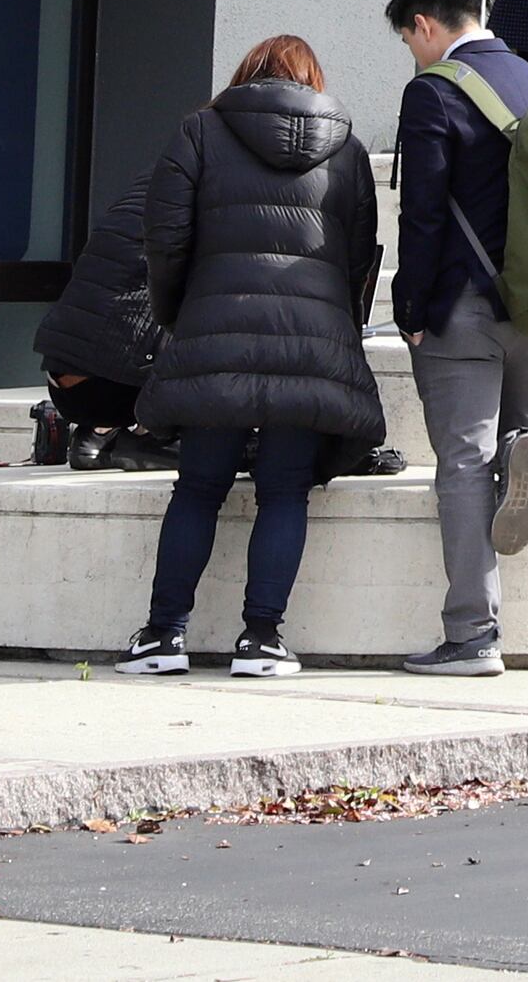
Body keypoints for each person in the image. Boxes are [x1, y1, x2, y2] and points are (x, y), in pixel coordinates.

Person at [118, 35, 384, 679]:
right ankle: (262, 640)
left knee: (200, 488)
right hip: (313, 338)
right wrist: (341, 324)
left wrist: (181, 311)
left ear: (247, 76)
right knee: (286, 490)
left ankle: (163, 637)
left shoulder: (201, 131)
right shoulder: (346, 147)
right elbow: (362, 252)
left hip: (217, 328)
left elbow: (165, 236)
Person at [384, 0, 528, 678]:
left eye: (407, 37)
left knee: (462, 465)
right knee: (508, 443)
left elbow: (423, 211)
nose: (412, 51)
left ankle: (473, 635)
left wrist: (411, 310)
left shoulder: (433, 92)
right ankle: (524, 442)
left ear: (426, 24)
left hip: (465, 308)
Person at [30, 172, 158, 463]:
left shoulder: (151, 182)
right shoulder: (216, 194)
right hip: (111, 387)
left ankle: (100, 431)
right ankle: (150, 436)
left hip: (62, 381)